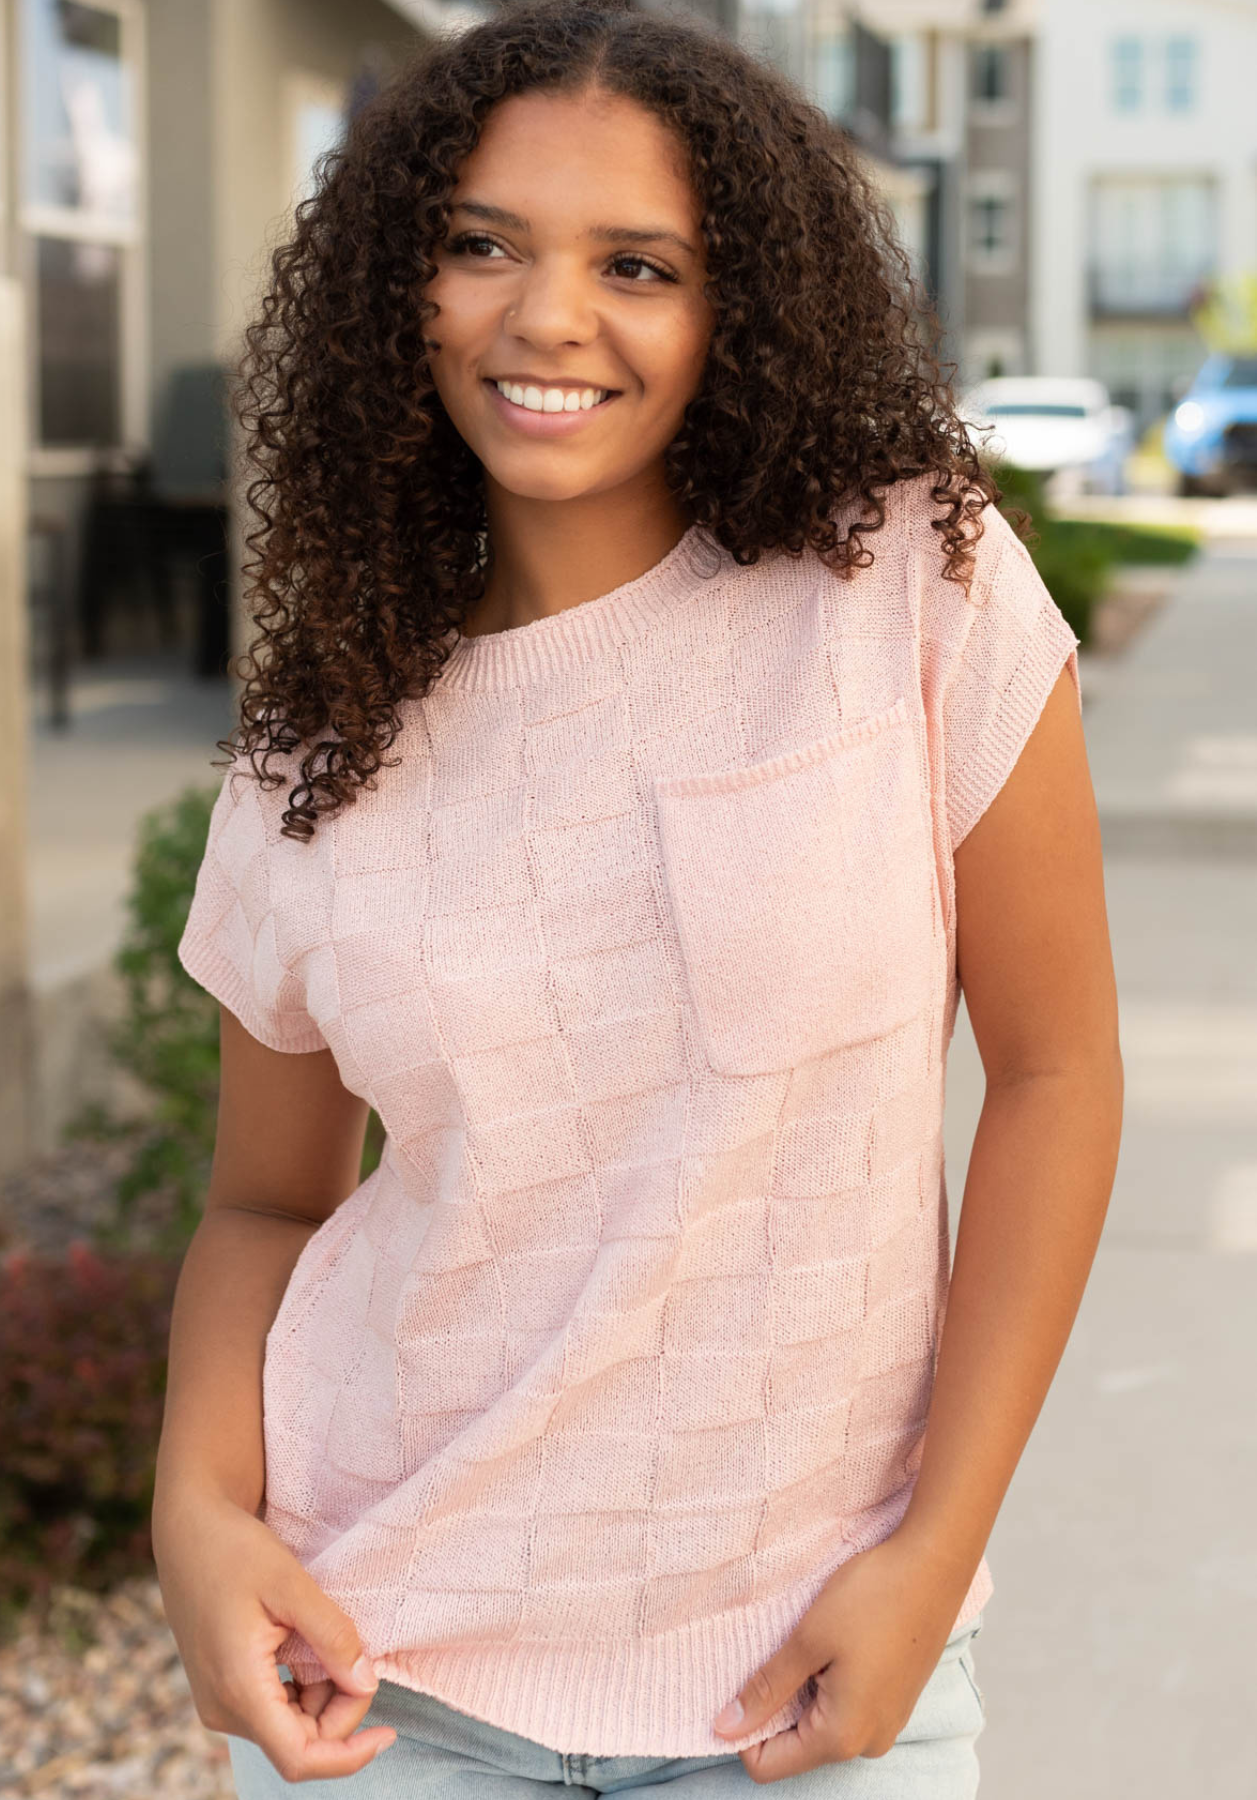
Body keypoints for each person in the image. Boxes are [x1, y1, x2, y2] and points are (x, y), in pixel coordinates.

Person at [151, 0, 1124, 1793]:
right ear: (399, 287)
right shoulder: (313, 758)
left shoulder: (909, 588)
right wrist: (195, 1518)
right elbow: (268, 1211)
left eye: (640, 263)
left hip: (811, 1683)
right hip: (384, 1686)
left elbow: (1055, 1079)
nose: (547, 316)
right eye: (483, 245)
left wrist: (930, 1555)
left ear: (735, 305)